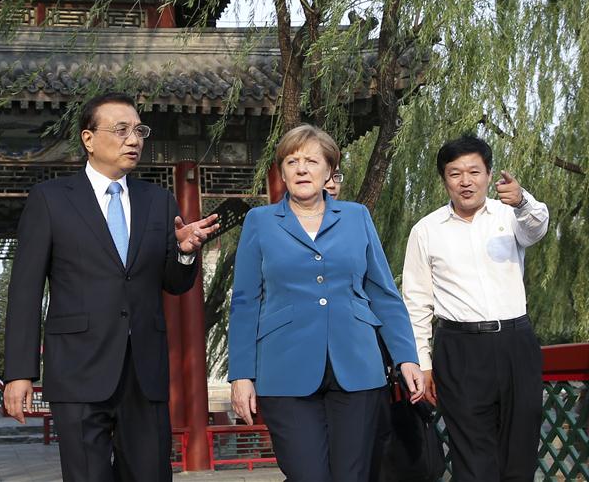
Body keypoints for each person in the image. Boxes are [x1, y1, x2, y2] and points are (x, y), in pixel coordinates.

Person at [2, 92, 219, 482]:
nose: (133, 139)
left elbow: (173, 283)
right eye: (121, 130)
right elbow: (24, 291)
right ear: (88, 138)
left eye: (139, 130)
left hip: (144, 370)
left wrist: (185, 252)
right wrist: (20, 373)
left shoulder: (158, 200)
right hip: (78, 369)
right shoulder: (51, 200)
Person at [228, 124, 424, 482]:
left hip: (356, 364)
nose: (302, 169)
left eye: (312, 161)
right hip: (284, 368)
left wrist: (406, 356)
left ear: (330, 170)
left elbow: (382, 293)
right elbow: (245, 301)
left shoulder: (356, 217)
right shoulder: (260, 222)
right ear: (282, 171)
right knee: (307, 475)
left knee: (353, 475)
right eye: (292, 161)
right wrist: (241, 373)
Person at [402, 134, 549, 482]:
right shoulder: (426, 231)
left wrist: (523, 201)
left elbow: (537, 227)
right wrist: (423, 364)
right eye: (455, 173)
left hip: (517, 344)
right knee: (473, 461)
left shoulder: (510, 215)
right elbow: (416, 302)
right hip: (460, 349)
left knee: (520, 455)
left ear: (488, 174)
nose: (465, 181)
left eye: (474, 171)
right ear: (444, 179)